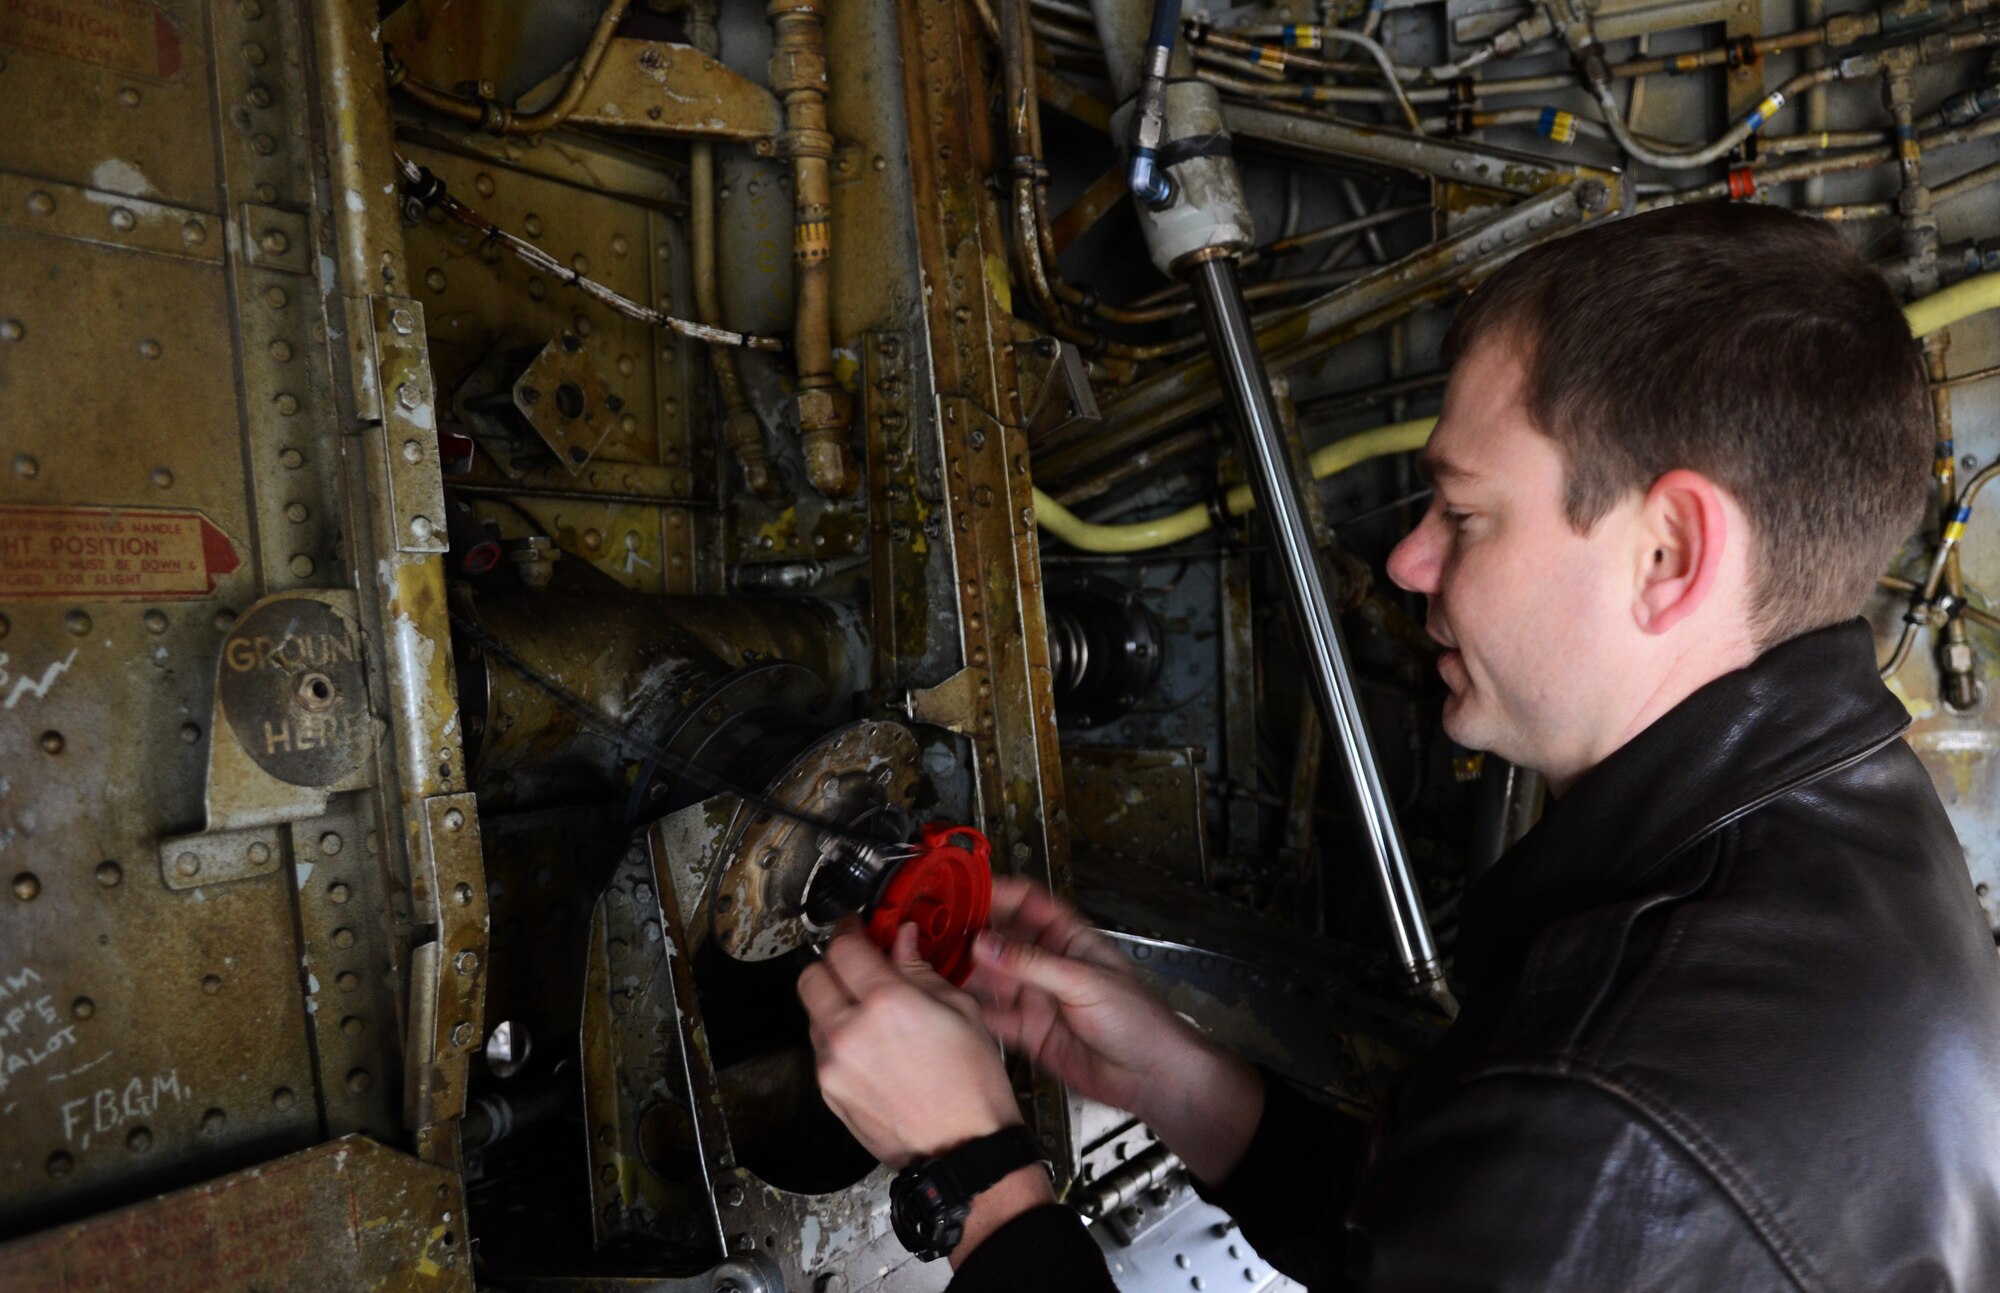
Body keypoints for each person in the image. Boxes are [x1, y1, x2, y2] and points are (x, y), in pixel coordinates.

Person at [796, 203, 2000, 1290]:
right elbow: (1463, 1245)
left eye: (1463, 514)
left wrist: (974, 1179)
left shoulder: (1622, 1116)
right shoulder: (1845, 844)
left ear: (1669, 552)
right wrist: (1182, 1085)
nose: (1409, 561)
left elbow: (1570, 1197)